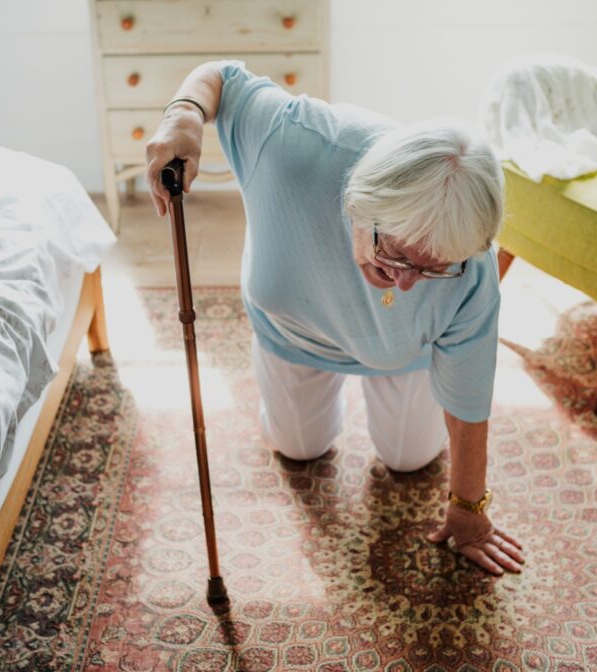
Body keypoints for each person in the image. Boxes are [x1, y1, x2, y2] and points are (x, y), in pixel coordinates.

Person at [145, 61, 525, 575]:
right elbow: (222, 77)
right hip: (292, 330)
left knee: (410, 461)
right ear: (360, 204)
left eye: (433, 269)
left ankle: (386, 386)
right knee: (298, 449)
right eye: (396, 257)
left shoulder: (469, 267)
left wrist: (469, 510)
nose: (408, 283)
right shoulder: (289, 142)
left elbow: (468, 399)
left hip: (402, 351)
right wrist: (184, 115)